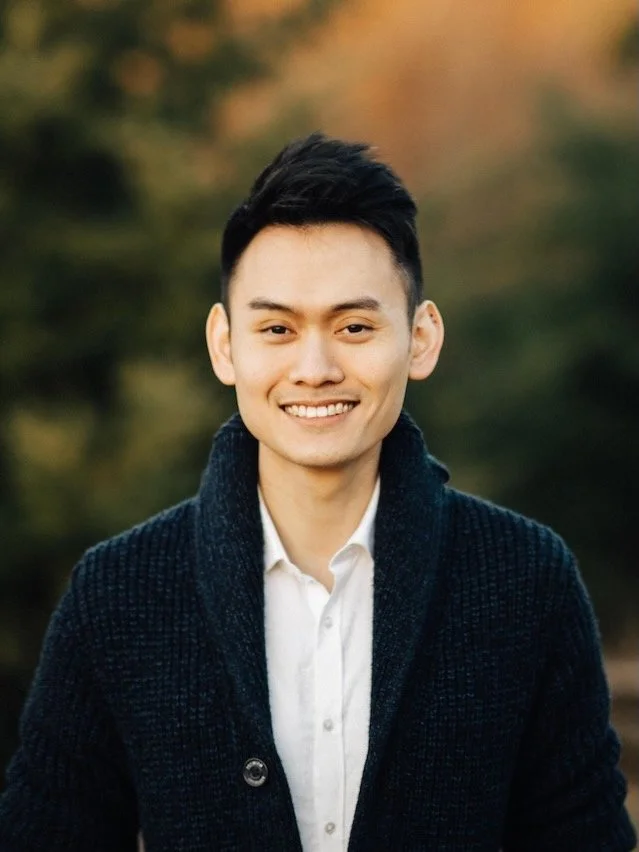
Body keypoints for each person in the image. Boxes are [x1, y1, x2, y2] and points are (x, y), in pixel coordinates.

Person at [0, 132, 635, 852]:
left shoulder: (525, 578)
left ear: (421, 338)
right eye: (276, 328)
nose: (314, 367)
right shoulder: (119, 592)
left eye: (354, 326)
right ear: (224, 344)